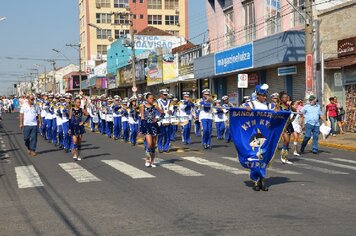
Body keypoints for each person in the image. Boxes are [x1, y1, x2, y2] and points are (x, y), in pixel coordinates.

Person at [242, 84, 275, 191]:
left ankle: (262, 180)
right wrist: (245, 108)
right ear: (257, 95)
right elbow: (239, 110)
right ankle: (255, 180)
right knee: (254, 157)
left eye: (266, 95)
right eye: (262, 95)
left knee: (263, 157)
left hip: (266, 136)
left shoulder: (269, 105)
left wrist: (277, 111)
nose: (265, 97)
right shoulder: (251, 104)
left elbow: (277, 112)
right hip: (254, 135)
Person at [140, 92, 164, 167]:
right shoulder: (142, 106)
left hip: (154, 126)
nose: (152, 99)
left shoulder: (155, 106)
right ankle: (147, 159)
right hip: (147, 126)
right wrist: (142, 128)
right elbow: (142, 117)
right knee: (149, 144)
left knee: (153, 144)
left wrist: (157, 119)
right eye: (150, 98)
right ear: (146, 99)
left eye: (152, 98)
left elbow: (163, 114)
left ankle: (152, 161)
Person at [278, 91, 294, 165]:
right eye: (284, 97)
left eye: (287, 97)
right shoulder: (279, 106)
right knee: (286, 140)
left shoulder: (289, 106)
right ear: (281, 99)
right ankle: (283, 156)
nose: (286, 98)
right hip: (282, 125)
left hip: (289, 125)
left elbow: (295, 112)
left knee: (287, 142)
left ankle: (285, 157)